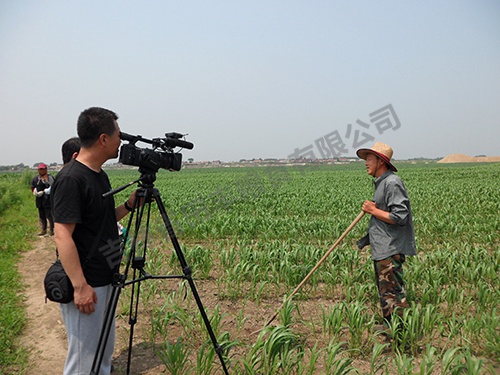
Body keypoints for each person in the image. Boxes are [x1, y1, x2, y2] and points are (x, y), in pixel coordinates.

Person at [52, 107, 139, 375]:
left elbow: (101, 220)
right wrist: (80, 287)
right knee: (84, 360)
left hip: (104, 277)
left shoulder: (98, 175)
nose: (120, 142)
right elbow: (62, 233)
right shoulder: (71, 178)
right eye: (117, 135)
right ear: (103, 138)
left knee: (102, 352)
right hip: (87, 282)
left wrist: (129, 204)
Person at [356, 142, 416, 334]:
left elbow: (400, 216)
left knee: (393, 292)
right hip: (382, 247)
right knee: (386, 291)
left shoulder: (392, 182)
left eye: (369, 159)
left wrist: (373, 210)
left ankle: (401, 335)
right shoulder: (382, 182)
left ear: (381, 161)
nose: (366, 163)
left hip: (390, 248)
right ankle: (390, 326)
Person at [30, 163, 55, 236]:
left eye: (43, 169)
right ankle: (43, 230)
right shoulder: (36, 179)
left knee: (49, 215)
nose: (41, 171)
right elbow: (32, 186)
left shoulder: (50, 178)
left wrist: (44, 191)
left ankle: (51, 230)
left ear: (46, 169)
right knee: (42, 215)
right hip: (39, 200)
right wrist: (34, 191)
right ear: (38, 170)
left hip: (47, 199)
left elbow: (53, 187)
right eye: (40, 169)